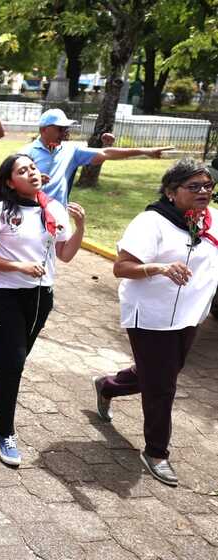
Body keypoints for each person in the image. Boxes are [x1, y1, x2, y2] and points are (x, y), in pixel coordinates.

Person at [93, 159, 218, 486]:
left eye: (208, 186)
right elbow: (121, 267)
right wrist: (160, 268)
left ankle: (108, 385)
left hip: (190, 315)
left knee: (161, 373)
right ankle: (156, 452)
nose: (204, 191)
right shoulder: (151, 223)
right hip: (151, 316)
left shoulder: (210, 220)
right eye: (194, 186)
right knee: (162, 386)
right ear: (171, 191)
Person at [0, 154, 85, 467]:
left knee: (12, 355)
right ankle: (6, 433)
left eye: (33, 168)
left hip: (39, 298)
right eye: (23, 171)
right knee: (14, 363)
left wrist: (80, 227)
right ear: (10, 182)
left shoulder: (53, 208)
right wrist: (18, 266)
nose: (32, 173)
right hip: (1, 296)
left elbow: (65, 253)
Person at [24, 109, 173, 206]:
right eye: (59, 128)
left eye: (66, 128)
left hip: (57, 217)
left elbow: (107, 153)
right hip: (31, 211)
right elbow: (13, 184)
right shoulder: (26, 153)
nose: (64, 133)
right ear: (43, 130)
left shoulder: (71, 151)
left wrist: (145, 151)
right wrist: (32, 180)